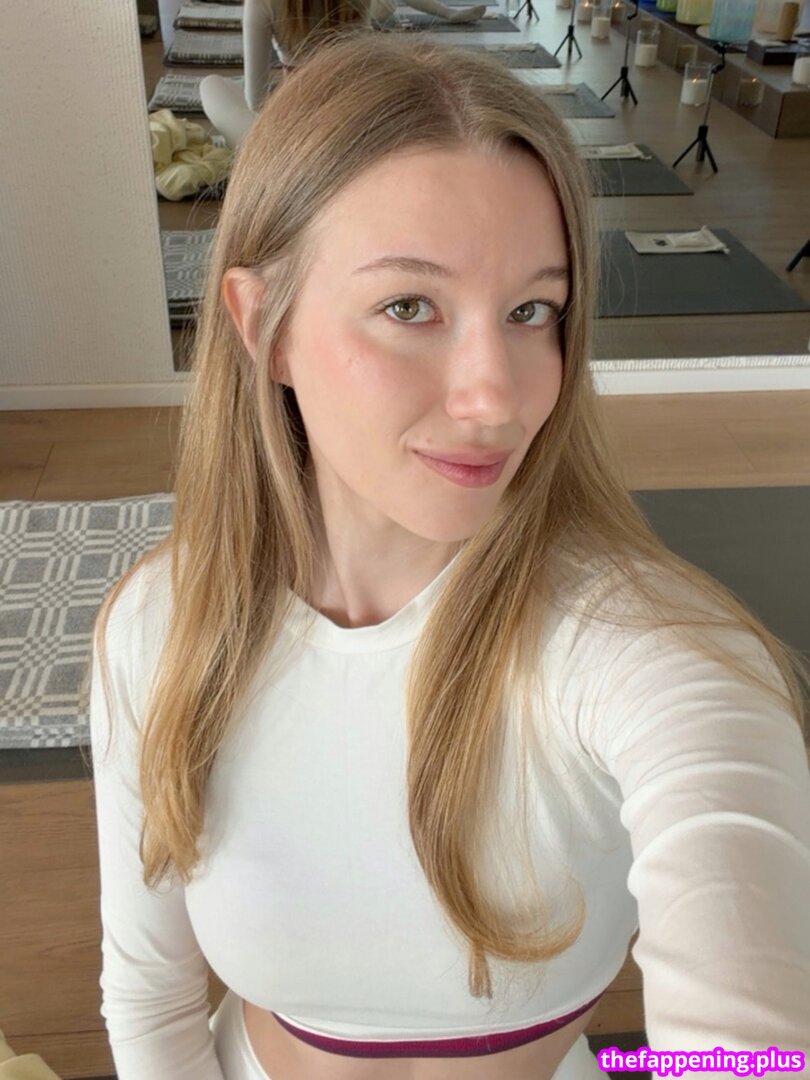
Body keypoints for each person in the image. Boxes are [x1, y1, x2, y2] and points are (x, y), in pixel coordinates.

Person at [85, 29, 810, 1080]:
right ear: (263, 324)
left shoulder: (656, 655)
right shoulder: (158, 628)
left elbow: (750, 1052)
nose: (495, 396)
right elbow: (149, 997)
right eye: (409, 307)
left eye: (531, 311)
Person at [201, 0, 486, 148]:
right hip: (364, 108)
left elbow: (256, 100)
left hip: (303, 123)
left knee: (211, 86)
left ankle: (266, 162)